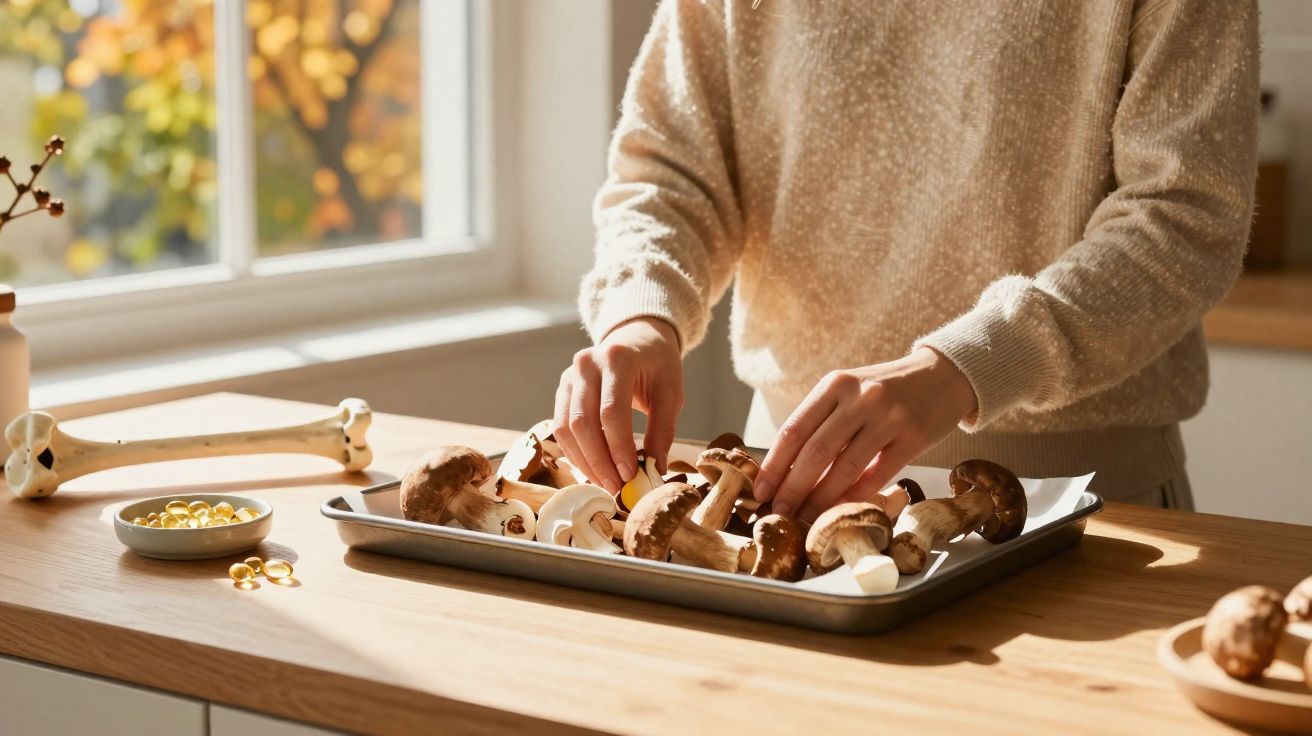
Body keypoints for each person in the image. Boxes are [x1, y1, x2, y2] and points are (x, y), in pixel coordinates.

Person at [553, 0, 1259, 522]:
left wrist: (967, 368)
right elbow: (668, 173)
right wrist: (642, 313)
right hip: (778, 499)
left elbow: (1184, 213)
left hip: (1084, 507)